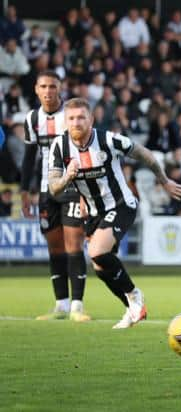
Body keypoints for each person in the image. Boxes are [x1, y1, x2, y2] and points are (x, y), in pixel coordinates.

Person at [48, 98, 181, 329]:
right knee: (100, 268)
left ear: (91, 119)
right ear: (65, 121)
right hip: (93, 214)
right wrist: (66, 177)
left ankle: (134, 294)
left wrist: (164, 180)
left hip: (121, 205)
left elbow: (143, 153)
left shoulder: (107, 140)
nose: (76, 122)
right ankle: (132, 310)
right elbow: (53, 187)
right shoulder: (59, 147)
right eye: (71, 118)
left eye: (81, 117)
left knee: (97, 251)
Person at [21, 71, 89, 322]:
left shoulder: (70, 115)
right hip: (45, 189)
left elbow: (83, 151)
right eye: (43, 86)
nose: (48, 91)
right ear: (36, 90)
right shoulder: (32, 118)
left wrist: (85, 191)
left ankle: (77, 306)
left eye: (52, 86)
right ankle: (60, 304)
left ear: (60, 89)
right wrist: (24, 192)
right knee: (55, 247)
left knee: (74, 244)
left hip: (72, 186)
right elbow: (30, 158)